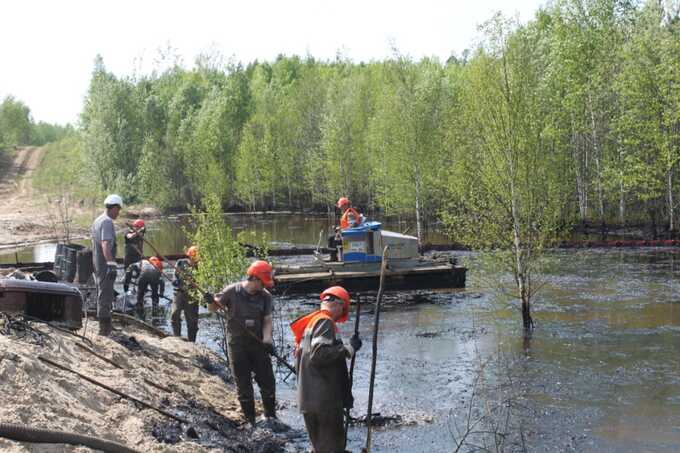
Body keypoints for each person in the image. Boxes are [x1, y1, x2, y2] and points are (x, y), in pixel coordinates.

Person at [291, 285, 362, 453]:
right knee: (332, 448)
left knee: (320, 447)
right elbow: (319, 355)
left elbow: (305, 357)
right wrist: (349, 348)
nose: (340, 317)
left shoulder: (310, 323)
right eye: (343, 310)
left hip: (309, 398)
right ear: (339, 305)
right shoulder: (325, 322)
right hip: (324, 400)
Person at [211, 260, 277, 426]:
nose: (265, 286)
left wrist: (267, 338)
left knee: (268, 382)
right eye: (263, 282)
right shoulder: (232, 291)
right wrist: (211, 301)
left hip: (258, 344)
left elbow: (268, 320)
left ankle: (271, 417)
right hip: (237, 345)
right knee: (243, 384)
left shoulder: (265, 297)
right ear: (254, 278)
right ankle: (250, 421)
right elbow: (213, 308)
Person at [91, 194, 123, 336]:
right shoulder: (107, 222)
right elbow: (105, 244)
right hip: (104, 264)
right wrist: (111, 264)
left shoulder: (98, 220)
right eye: (118, 209)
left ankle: (106, 323)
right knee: (106, 293)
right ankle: (104, 329)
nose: (118, 213)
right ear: (114, 207)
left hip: (98, 263)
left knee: (103, 292)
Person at [171, 246, 200, 342]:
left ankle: (192, 342)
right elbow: (174, 275)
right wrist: (175, 281)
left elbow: (203, 282)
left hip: (192, 295)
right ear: (189, 255)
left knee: (192, 321)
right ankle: (177, 338)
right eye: (193, 256)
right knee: (175, 314)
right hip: (179, 293)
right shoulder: (180, 262)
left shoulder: (200, 267)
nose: (194, 258)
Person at [123, 219, 145, 293]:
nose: (140, 231)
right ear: (135, 227)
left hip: (137, 257)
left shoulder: (141, 233)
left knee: (140, 273)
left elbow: (141, 243)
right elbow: (130, 237)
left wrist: (142, 254)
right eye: (138, 228)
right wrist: (138, 232)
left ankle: (138, 289)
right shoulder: (127, 231)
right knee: (128, 274)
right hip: (129, 257)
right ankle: (126, 290)